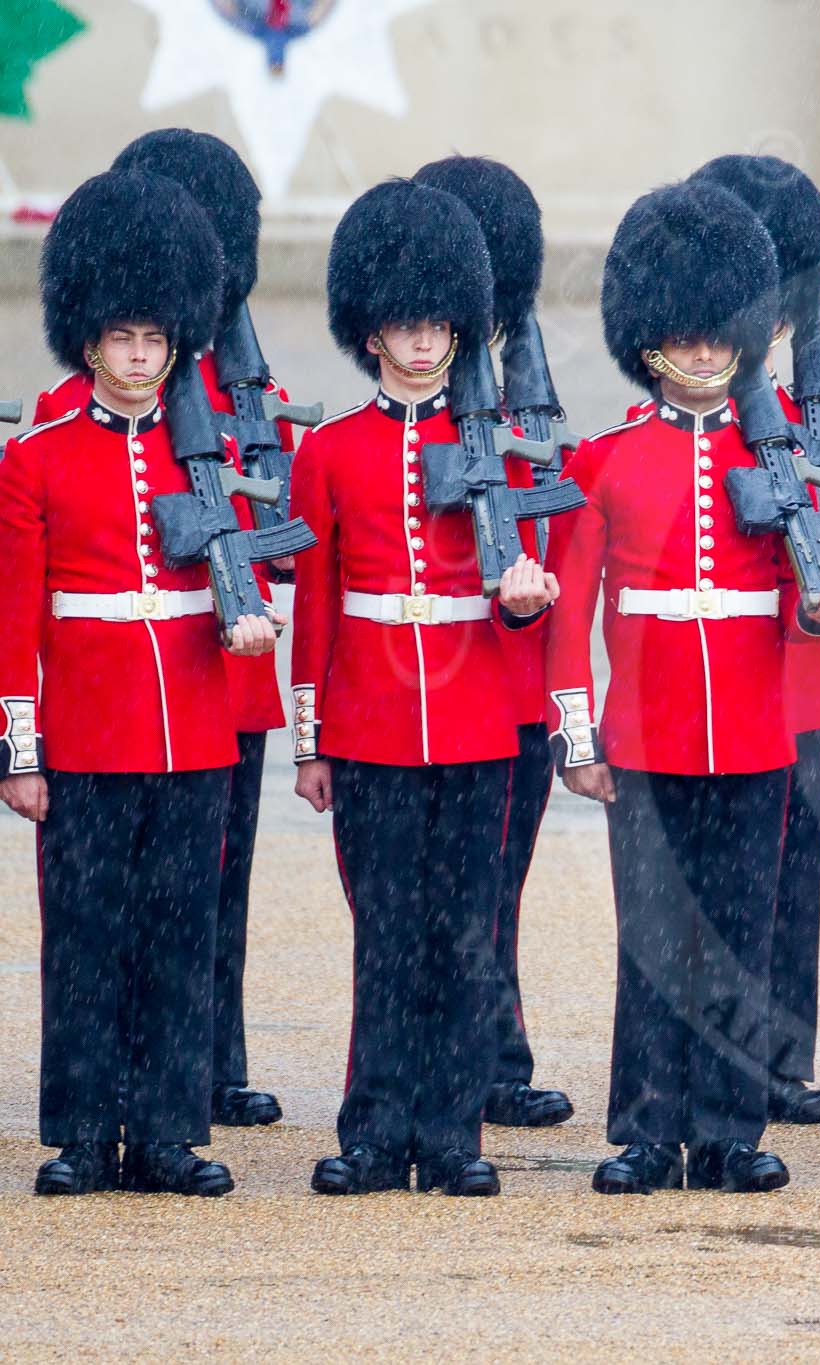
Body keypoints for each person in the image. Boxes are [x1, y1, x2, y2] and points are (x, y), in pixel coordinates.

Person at [549, 180, 820, 1195]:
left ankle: (730, 1128)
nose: (702, 357)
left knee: (736, 937)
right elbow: (571, 617)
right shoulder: (604, 461)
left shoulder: (774, 461)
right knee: (653, 938)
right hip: (644, 730)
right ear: (651, 345)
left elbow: (796, 594)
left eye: (716, 340)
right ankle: (647, 1127)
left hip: (754, 729)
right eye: (684, 341)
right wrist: (575, 734)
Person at [3, 169, 278, 1196]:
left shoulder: (206, 457)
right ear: (89, 342)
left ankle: (168, 1134)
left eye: (154, 341)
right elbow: (14, 620)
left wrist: (252, 624)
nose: (138, 358)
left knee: (177, 936)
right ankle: (83, 1133)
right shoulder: (38, 459)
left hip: (193, 731)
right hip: (84, 731)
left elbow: (244, 575)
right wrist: (20, 751)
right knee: (84, 941)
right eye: (121, 340)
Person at [294, 178, 559, 1197]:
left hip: (477, 717)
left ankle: (451, 1134)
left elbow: (521, 590)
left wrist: (527, 603)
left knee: (461, 935)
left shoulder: (493, 445)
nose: (422, 347)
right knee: (385, 933)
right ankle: (373, 1130)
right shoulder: (330, 451)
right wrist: (312, 739)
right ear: (372, 336)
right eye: (404, 328)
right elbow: (317, 608)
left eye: (439, 327)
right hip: (368, 720)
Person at [411, 154, 576, 1131]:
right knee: (426, 888)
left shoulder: (518, 398)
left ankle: (493, 1049)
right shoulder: (428, 411)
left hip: (517, 678)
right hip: (436, 678)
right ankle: (443, 1055)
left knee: (493, 883)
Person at [687, 152, 820, 1127]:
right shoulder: (679, 427)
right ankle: (704, 1067)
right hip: (713, 682)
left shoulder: (804, 427)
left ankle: (779, 1060)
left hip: (797, 682)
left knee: (792, 884)